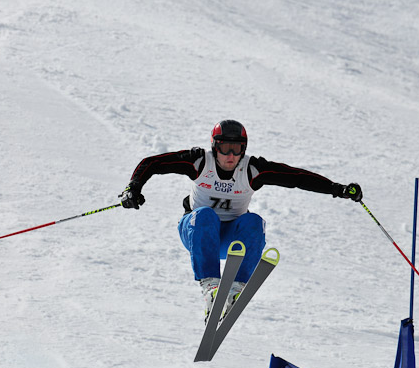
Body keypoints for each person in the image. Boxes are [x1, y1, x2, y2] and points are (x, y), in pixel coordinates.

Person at [120, 120, 362, 322]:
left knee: (254, 222)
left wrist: (337, 189)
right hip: (197, 233)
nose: (231, 156)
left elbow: (296, 177)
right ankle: (212, 288)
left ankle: (235, 290)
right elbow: (153, 163)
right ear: (215, 147)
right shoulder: (199, 161)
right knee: (206, 215)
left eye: (237, 149)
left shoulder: (252, 169)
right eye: (225, 148)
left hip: (231, 239)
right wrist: (133, 187)